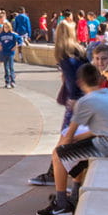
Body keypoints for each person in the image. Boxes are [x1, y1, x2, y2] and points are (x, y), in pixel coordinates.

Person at [36, 63, 108, 215]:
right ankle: (75, 194)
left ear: (80, 83)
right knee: (76, 149)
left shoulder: (86, 101)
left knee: (59, 154)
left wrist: (64, 147)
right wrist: (76, 139)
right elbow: (99, 129)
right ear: (100, 79)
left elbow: (68, 136)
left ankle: (62, 205)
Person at [29, 21, 89, 186]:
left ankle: (54, 174)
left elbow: (71, 79)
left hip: (76, 102)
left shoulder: (66, 56)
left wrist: (74, 98)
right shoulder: (80, 51)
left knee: (65, 138)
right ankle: (63, 175)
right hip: (85, 98)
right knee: (70, 139)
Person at [0, 20, 22, 88]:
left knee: (11, 67)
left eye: (7, 27)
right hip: (4, 52)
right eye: (5, 27)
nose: (6, 28)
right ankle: (7, 82)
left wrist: (16, 46)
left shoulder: (13, 34)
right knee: (6, 67)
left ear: (10, 27)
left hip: (10, 52)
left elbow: (20, 40)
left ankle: (12, 81)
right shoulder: (1, 35)